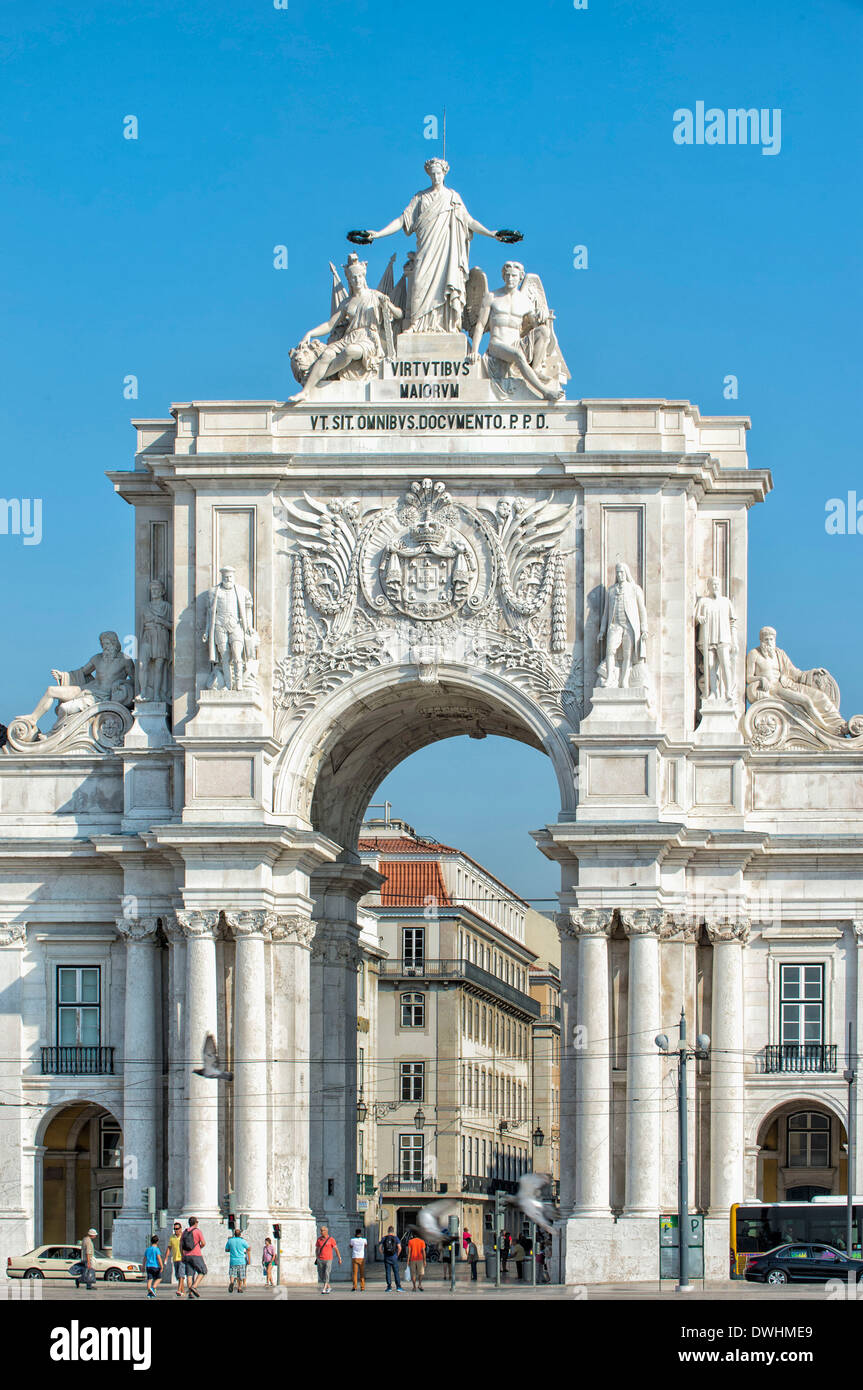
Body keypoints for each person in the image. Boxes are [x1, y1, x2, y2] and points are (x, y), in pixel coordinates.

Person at [363, 158, 504, 334]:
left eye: (439, 173)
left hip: (447, 252)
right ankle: (416, 323)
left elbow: (469, 221)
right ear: (429, 175)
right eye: (433, 174)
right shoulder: (420, 198)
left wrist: (491, 233)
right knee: (419, 282)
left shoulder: (452, 197)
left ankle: (449, 324)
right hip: (426, 250)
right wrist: (378, 234)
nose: (436, 176)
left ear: (444, 173)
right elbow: (402, 220)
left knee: (448, 283)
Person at [287, 254, 402, 403]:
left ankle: (318, 378)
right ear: (349, 281)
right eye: (353, 278)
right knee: (327, 354)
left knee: (350, 351)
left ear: (364, 276)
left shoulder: (375, 296)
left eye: (359, 276)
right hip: (349, 337)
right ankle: (306, 391)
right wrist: (310, 333)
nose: (357, 280)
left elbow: (399, 314)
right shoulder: (347, 303)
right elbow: (329, 325)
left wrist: (389, 305)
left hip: (368, 339)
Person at [597, 561, 649, 690]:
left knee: (628, 655)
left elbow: (642, 610)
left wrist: (644, 629)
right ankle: (610, 677)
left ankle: (624, 680)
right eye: (618, 572)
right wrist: (602, 630)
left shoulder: (634, 589)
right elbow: (606, 612)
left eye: (622, 572)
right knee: (610, 650)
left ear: (626, 573)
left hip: (630, 626)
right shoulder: (611, 590)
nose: (620, 575)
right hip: (615, 625)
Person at [180, 1216, 207, 1299]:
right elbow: (203, 1243)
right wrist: (199, 1247)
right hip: (196, 1255)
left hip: (186, 1255)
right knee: (203, 1271)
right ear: (195, 1223)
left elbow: (180, 1245)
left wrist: (182, 1255)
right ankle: (194, 1286)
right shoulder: (197, 1231)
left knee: (189, 1274)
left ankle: (190, 1293)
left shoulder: (184, 1232)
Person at [315, 1225, 341, 1294]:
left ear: (326, 1231)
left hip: (328, 1259)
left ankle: (324, 1288)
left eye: (322, 1230)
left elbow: (336, 1249)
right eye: (321, 1230)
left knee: (327, 1273)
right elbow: (317, 1249)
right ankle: (328, 1287)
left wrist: (339, 1258)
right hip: (320, 1259)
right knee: (321, 1274)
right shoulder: (319, 1239)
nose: (321, 1232)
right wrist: (317, 1257)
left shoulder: (331, 1239)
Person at [226, 1227, 250, 1293]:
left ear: (234, 1234)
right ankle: (239, 1288)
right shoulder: (243, 1241)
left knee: (232, 1273)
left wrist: (231, 1250)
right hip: (241, 1260)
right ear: (240, 1234)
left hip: (233, 1260)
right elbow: (248, 1248)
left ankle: (231, 1282)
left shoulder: (230, 1240)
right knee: (240, 1276)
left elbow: (226, 1249)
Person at [379, 1226, 403, 1292]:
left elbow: (380, 1248)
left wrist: (383, 1253)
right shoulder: (396, 1238)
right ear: (393, 1231)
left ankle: (389, 1287)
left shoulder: (384, 1238)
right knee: (396, 1272)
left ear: (388, 1231)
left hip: (387, 1257)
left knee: (388, 1272)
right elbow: (400, 1248)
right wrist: (397, 1255)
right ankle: (398, 1287)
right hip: (394, 1257)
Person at [167, 1221, 186, 1297]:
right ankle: (182, 1290)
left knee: (181, 1275)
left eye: (177, 1229)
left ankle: (178, 1290)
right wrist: (166, 1258)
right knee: (178, 1276)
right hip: (175, 1259)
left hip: (182, 1258)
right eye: (175, 1229)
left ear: (181, 1229)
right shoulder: (172, 1237)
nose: (176, 1230)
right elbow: (169, 1248)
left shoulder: (183, 1237)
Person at [349, 1228, 367, 1292]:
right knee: (362, 1273)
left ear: (355, 1234)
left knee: (355, 1273)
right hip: (361, 1257)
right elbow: (365, 1246)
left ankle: (355, 1287)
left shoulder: (352, 1240)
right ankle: (362, 1287)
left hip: (355, 1257)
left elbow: (350, 1246)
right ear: (361, 1234)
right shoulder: (364, 1240)